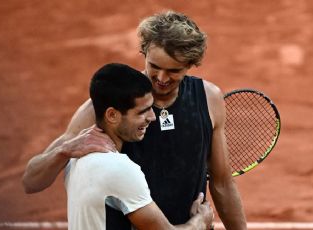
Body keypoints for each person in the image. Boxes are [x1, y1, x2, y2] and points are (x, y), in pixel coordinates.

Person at [23, 11, 247, 229]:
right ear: (144, 54)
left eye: (173, 71)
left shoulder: (209, 99)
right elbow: (32, 181)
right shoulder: (108, 106)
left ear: (190, 65)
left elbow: (222, 183)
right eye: (154, 66)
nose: (161, 78)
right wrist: (65, 149)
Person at [65, 63, 213, 229]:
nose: (152, 117)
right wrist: (200, 222)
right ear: (112, 115)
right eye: (142, 111)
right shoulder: (120, 169)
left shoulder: (75, 159)